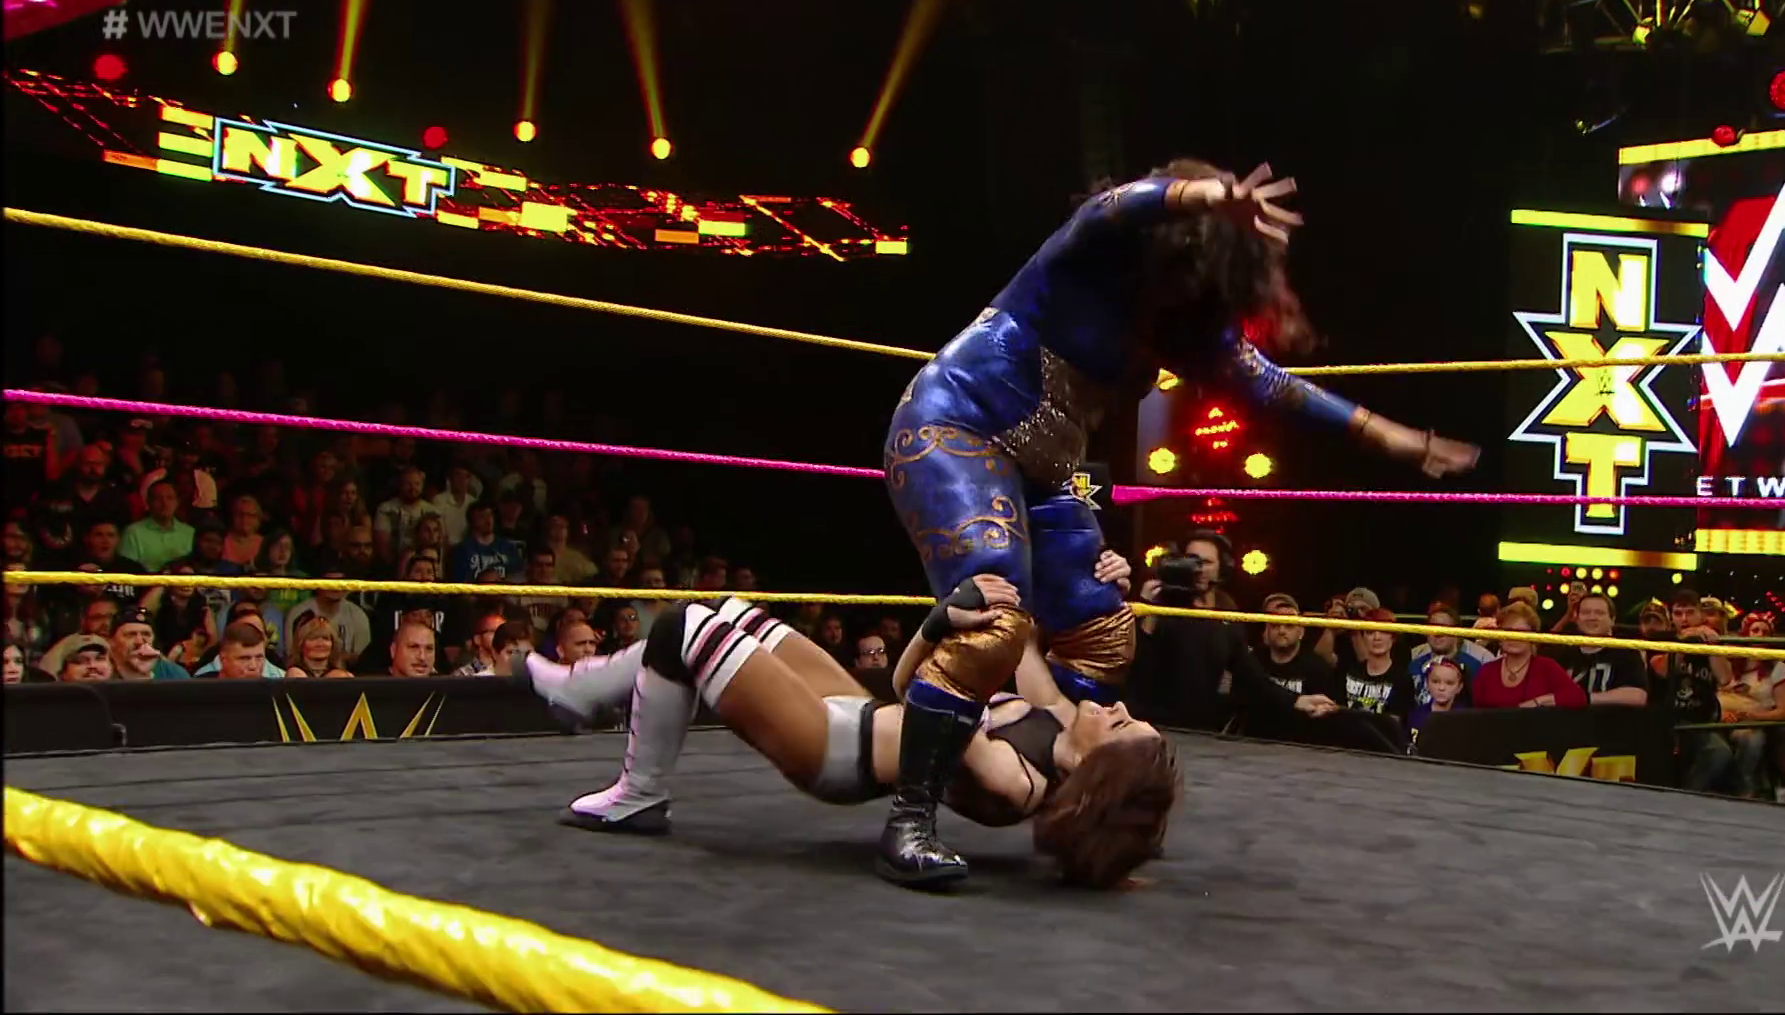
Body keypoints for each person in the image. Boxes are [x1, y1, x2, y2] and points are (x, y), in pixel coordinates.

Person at [879, 160, 1479, 886]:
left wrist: (1393, 438)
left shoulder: (1180, 326)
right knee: (995, 615)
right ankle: (910, 817)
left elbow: (1273, 387)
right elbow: (1109, 207)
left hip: (1041, 473)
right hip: (955, 429)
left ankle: (1069, 781)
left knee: (1106, 631)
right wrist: (1205, 195)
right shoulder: (1087, 257)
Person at [519, 569, 1179, 891]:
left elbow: (926, 700)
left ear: (1096, 771)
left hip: (833, 750)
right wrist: (1094, 576)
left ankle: (638, 792)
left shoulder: (1018, 782)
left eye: (1122, 726)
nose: (1117, 708)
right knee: (731, 611)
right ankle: (582, 691)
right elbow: (1023, 614)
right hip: (857, 708)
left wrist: (943, 626)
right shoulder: (1053, 710)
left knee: (686, 628)